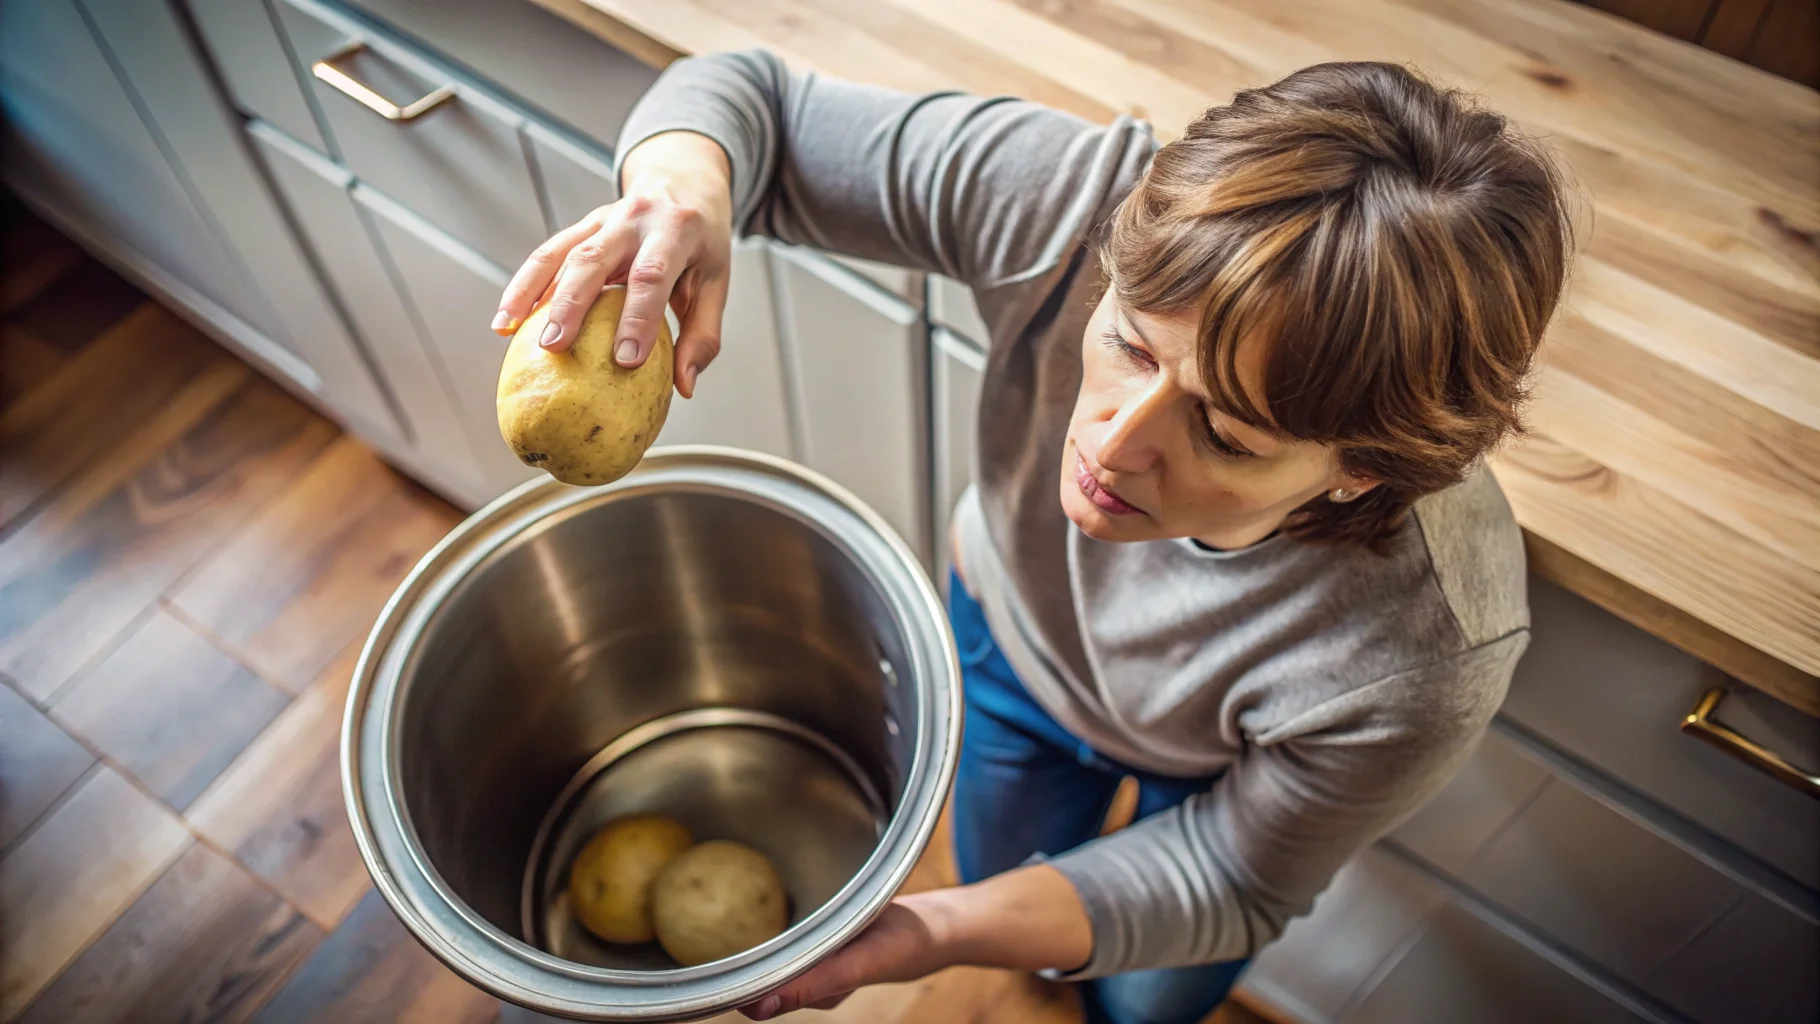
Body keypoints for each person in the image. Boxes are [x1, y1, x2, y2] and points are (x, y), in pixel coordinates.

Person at [493, 51, 1570, 1024]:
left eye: (1228, 436)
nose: (1113, 443)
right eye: (1128, 346)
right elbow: (752, 102)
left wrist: (931, 933)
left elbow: (1232, 878)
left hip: (1215, 767)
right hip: (1007, 645)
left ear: (1355, 469)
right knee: (1004, 871)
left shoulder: (1432, 643)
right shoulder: (1081, 210)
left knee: (1146, 1004)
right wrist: (682, 193)